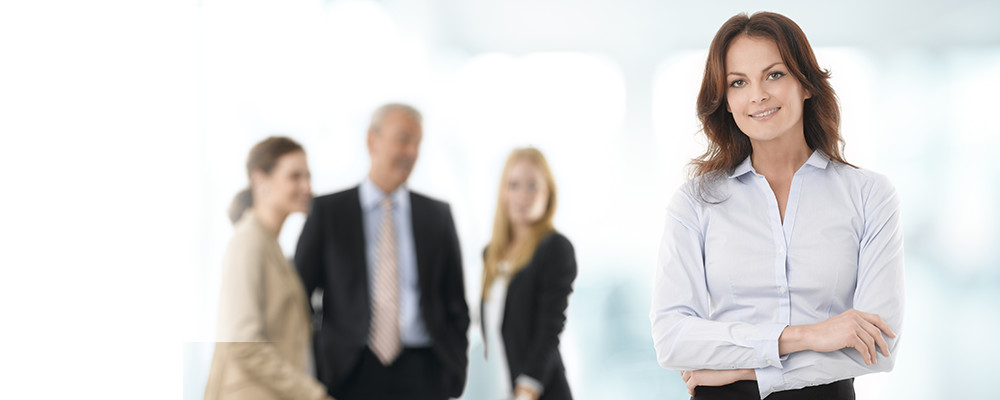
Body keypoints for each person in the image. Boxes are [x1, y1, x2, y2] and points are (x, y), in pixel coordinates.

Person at [649, 11, 905, 400]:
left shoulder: (869, 195)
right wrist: (806, 336)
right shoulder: (695, 202)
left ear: (805, 83)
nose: (758, 95)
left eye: (774, 74)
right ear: (727, 102)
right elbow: (672, 339)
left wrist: (746, 369)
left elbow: (878, 349)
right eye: (738, 82)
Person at [295, 103, 470, 400]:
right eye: (403, 139)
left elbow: (455, 300)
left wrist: (452, 366)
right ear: (372, 140)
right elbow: (298, 295)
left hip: (425, 370)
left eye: (417, 143)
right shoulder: (329, 212)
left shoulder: (437, 216)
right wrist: (318, 359)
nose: (412, 152)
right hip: (348, 370)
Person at [204, 136, 332, 400]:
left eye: (308, 176)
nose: (307, 186)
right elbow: (244, 342)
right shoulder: (248, 242)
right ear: (260, 181)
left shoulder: (270, 246)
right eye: (294, 177)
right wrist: (312, 394)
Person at [478, 148, 577, 400]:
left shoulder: (555, 248)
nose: (523, 195)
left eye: (532, 186)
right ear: (503, 192)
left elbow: (549, 329)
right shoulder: (491, 254)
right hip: (497, 387)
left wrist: (527, 388)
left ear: (548, 194)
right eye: (514, 185)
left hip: (535, 391)